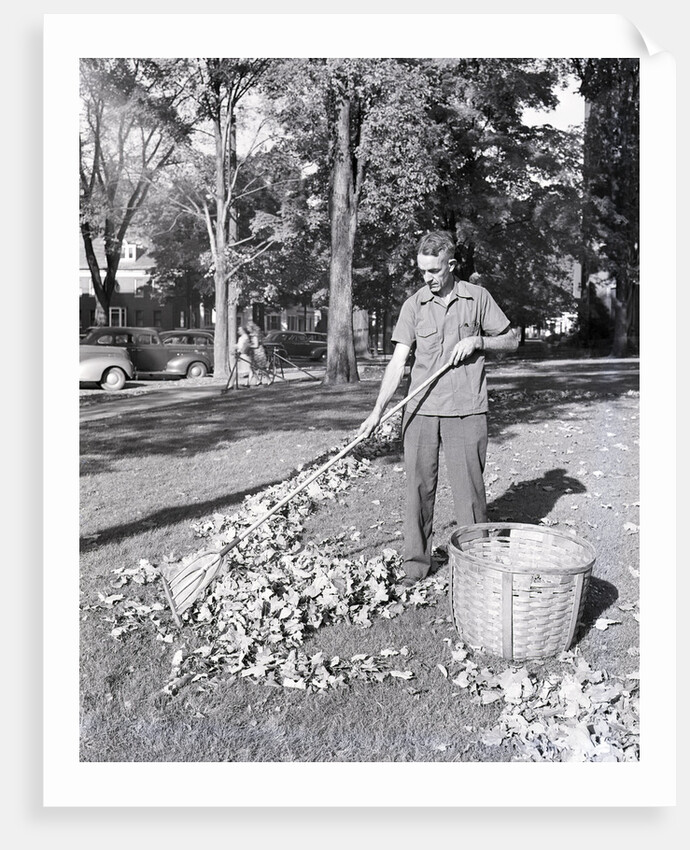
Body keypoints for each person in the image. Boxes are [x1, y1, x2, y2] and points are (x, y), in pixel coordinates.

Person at [358, 230, 518, 587]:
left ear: (451, 265)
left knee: (470, 496)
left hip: (467, 409)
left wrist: (478, 340)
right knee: (417, 490)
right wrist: (376, 411)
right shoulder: (413, 304)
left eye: (434, 271)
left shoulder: (477, 298)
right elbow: (398, 362)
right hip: (420, 411)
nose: (427, 278)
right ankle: (416, 565)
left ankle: (478, 567)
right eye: (422, 271)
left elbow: (511, 339)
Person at [247, 320, 269, 385]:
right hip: (254, 354)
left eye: (248, 328)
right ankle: (256, 381)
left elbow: (256, 345)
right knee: (252, 368)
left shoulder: (255, 335)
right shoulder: (252, 335)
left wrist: (249, 346)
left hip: (259, 354)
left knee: (261, 368)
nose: (247, 329)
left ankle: (269, 380)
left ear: (251, 328)